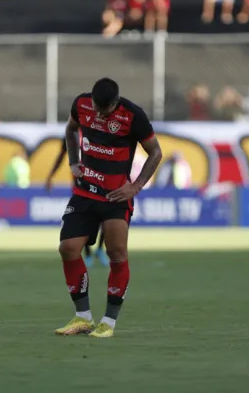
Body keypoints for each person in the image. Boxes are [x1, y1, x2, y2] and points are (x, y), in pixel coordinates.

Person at [55, 78, 163, 338]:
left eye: (107, 109)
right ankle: (82, 317)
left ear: (116, 102)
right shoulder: (81, 104)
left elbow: (156, 153)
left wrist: (135, 187)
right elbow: (70, 130)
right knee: (68, 249)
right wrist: (73, 162)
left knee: (116, 253)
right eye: (98, 108)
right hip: (85, 191)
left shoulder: (133, 115)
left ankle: (108, 322)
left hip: (115, 196)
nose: (101, 114)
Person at [45, 139, 109, 268]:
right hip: (80, 186)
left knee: (105, 216)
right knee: (85, 219)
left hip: (100, 182)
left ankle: (100, 249)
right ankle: (88, 253)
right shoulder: (71, 134)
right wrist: (51, 176)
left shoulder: (96, 130)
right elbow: (61, 155)